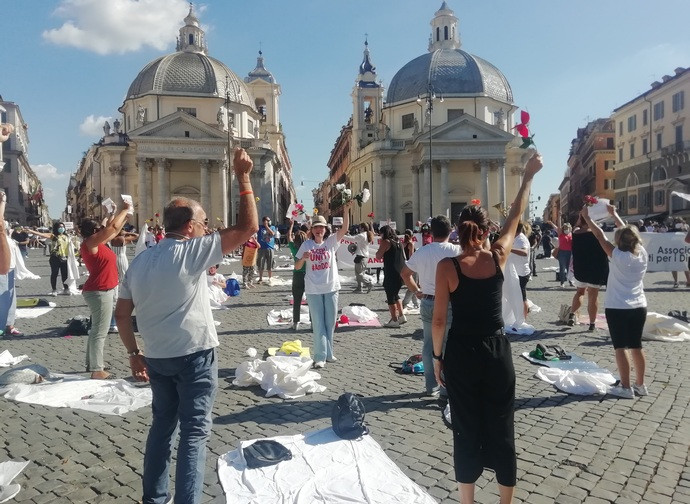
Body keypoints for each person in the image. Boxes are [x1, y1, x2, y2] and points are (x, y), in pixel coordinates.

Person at [114, 148, 258, 504]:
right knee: (194, 435)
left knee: (162, 428)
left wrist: (134, 354)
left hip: (157, 357)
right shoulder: (191, 251)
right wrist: (242, 176)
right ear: (190, 226)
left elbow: (121, 314)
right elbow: (247, 227)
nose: (208, 229)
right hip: (194, 355)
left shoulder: (141, 260)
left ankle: (154, 498)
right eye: (205, 223)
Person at [432, 151, 542, 503]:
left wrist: (437, 357)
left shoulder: (448, 266)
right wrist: (527, 177)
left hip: (461, 352)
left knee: (465, 429)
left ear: (457, 229)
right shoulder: (497, 256)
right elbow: (514, 217)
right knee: (502, 428)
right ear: (484, 230)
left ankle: (468, 501)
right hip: (497, 351)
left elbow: (437, 320)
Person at [581, 204, 648, 399]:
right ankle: (640, 385)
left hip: (618, 306)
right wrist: (614, 214)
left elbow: (599, 235)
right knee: (636, 346)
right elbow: (627, 231)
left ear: (619, 240)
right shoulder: (642, 253)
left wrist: (587, 218)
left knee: (620, 347)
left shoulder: (617, 255)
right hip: (639, 305)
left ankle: (625, 387)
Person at [400, 216, 459, 397]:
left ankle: (430, 385)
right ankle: (445, 387)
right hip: (448, 302)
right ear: (450, 231)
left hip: (428, 300)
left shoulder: (423, 251)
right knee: (448, 344)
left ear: (431, 233)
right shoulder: (456, 251)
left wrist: (416, 290)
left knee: (428, 344)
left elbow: (405, 273)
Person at [295, 206, 351, 369]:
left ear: (325, 229)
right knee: (318, 323)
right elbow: (297, 267)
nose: (319, 230)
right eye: (316, 227)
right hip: (313, 289)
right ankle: (319, 356)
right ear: (312, 230)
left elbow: (345, 229)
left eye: (322, 227)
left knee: (330, 322)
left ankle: (329, 353)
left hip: (332, 287)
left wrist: (346, 211)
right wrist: (303, 259)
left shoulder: (331, 242)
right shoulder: (306, 245)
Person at [79, 204, 130, 379]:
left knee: (96, 329)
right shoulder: (91, 243)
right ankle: (97, 369)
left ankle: (91, 364)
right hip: (100, 290)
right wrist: (125, 209)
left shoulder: (97, 242)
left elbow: (113, 231)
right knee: (100, 331)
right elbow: (111, 228)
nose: (103, 230)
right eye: (99, 229)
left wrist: (120, 217)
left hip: (101, 289)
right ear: (94, 231)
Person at [567, 213, 609, 331]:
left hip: (581, 268)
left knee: (580, 292)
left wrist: (580, 219)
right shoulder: (599, 234)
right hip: (596, 269)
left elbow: (575, 226)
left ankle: (572, 313)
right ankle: (592, 323)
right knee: (593, 296)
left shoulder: (576, 233)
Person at [109, 229, 139, 333]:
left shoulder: (111, 239)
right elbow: (136, 236)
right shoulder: (122, 239)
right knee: (123, 278)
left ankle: (117, 292)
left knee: (116, 278)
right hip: (121, 259)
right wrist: (126, 233)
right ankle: (123, 294)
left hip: (113, 259)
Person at [376, 225, 406, 328]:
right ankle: (401, 316)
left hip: (391, 272)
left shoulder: (386, 242)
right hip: (400, 271)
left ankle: (394, 320)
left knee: (390, 296)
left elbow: (378, 255)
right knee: (396, 294)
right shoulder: (398, 242)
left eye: (381, 233)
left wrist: (379, 248)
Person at [30, 222, 71, 296]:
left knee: (65, 274)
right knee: (54, 274)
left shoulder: (66, 236)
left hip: (65, 257)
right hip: (55, 257)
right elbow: (42, 235)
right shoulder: (53, 236)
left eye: (63, 227)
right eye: (60, 227)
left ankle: (66, 288)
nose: (61, 228)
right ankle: (54, 289)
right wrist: (31, 231)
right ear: (56, 228)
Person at [508, 221, 531, 320]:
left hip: (521, 272)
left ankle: (523, 318)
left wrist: (509, 249)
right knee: (516, 296)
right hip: (516, 271)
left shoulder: (521, 239)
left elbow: (525, 252)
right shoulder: (516, 238)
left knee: (522, 297)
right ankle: (518, 316)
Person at [287, 219, 307, 330]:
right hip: (309, 275)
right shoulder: (309, 248)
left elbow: (289, 237)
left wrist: (291, 226)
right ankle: (313, 322)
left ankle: (296, 322)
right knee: (311, 300)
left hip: (297, 275)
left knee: (297, 300)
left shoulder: (294, 248)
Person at [400, 229, 420, 310]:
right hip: (412, 266)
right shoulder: (411, 244)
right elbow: (411, 256)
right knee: (413, 286)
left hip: (404, 265)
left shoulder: (402, 244)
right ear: (412, 236)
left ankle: (415, 303)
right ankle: (404, 303)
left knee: (411, 285)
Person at [352, 222, 374, 293]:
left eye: (360, 227)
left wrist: (341, 235)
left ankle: (369, 283)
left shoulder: (361, 235)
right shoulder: (367, 235)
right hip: (363, 256)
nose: (359, 228)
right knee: (359, 273)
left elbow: (352, 239)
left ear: (362, 228)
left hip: (361, 256)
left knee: (359, 274)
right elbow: (360, 246)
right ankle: (359, 288)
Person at [257, 216, 276, 284]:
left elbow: (272, 234)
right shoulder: (260, 228)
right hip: (261, 248)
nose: (268, 221)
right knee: (260, 264)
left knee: (270, 264)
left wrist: (267, 226)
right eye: (267, 220)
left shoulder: (272, 227)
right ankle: (260, 278)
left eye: (269, 220)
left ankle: (270, 278)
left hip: (270, 248)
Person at [556, 223, 573, 287]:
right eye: (565, 228)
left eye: (567, 228)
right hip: (562, 252)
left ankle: (571, 281)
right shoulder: (561, 234)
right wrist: (559, 216)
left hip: (570, 252)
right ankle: (562, 282)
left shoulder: (571, 234)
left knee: (570, 268)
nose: (566, 230)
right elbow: (559, 226)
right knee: (562, 268)